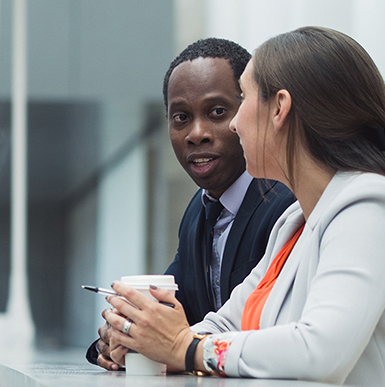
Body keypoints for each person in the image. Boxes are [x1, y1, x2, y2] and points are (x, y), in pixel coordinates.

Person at [103, 26, 385, 387]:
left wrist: (185, 348)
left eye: (242, 99)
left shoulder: (372, 206)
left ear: (279, 108)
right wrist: (147, 340)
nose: (232, 123)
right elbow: (224, 325)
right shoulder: (293, 224)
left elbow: (318, 351)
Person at [86, 38, 295, 370]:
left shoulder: (286, 205)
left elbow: (271, 333)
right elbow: (169, 312)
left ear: (249, 113)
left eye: (216, 112)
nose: (197, 133)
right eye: (181, 117)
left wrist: (175, 346)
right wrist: (120, 337)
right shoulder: (197, 213)